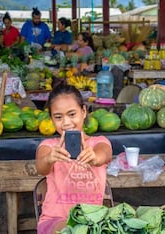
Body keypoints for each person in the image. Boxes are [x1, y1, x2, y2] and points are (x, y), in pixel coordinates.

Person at [35, 84, 112, 234]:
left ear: (83, 112)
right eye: (58, 117)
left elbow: (105, 153)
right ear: (51, 118)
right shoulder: (49, 146)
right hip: (55, 220)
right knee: (73, 230)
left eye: (72, 114)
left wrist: (95, 157)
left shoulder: (98, 143)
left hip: (92, 220)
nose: (66, 122)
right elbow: (40, 167)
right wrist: (49, 158)